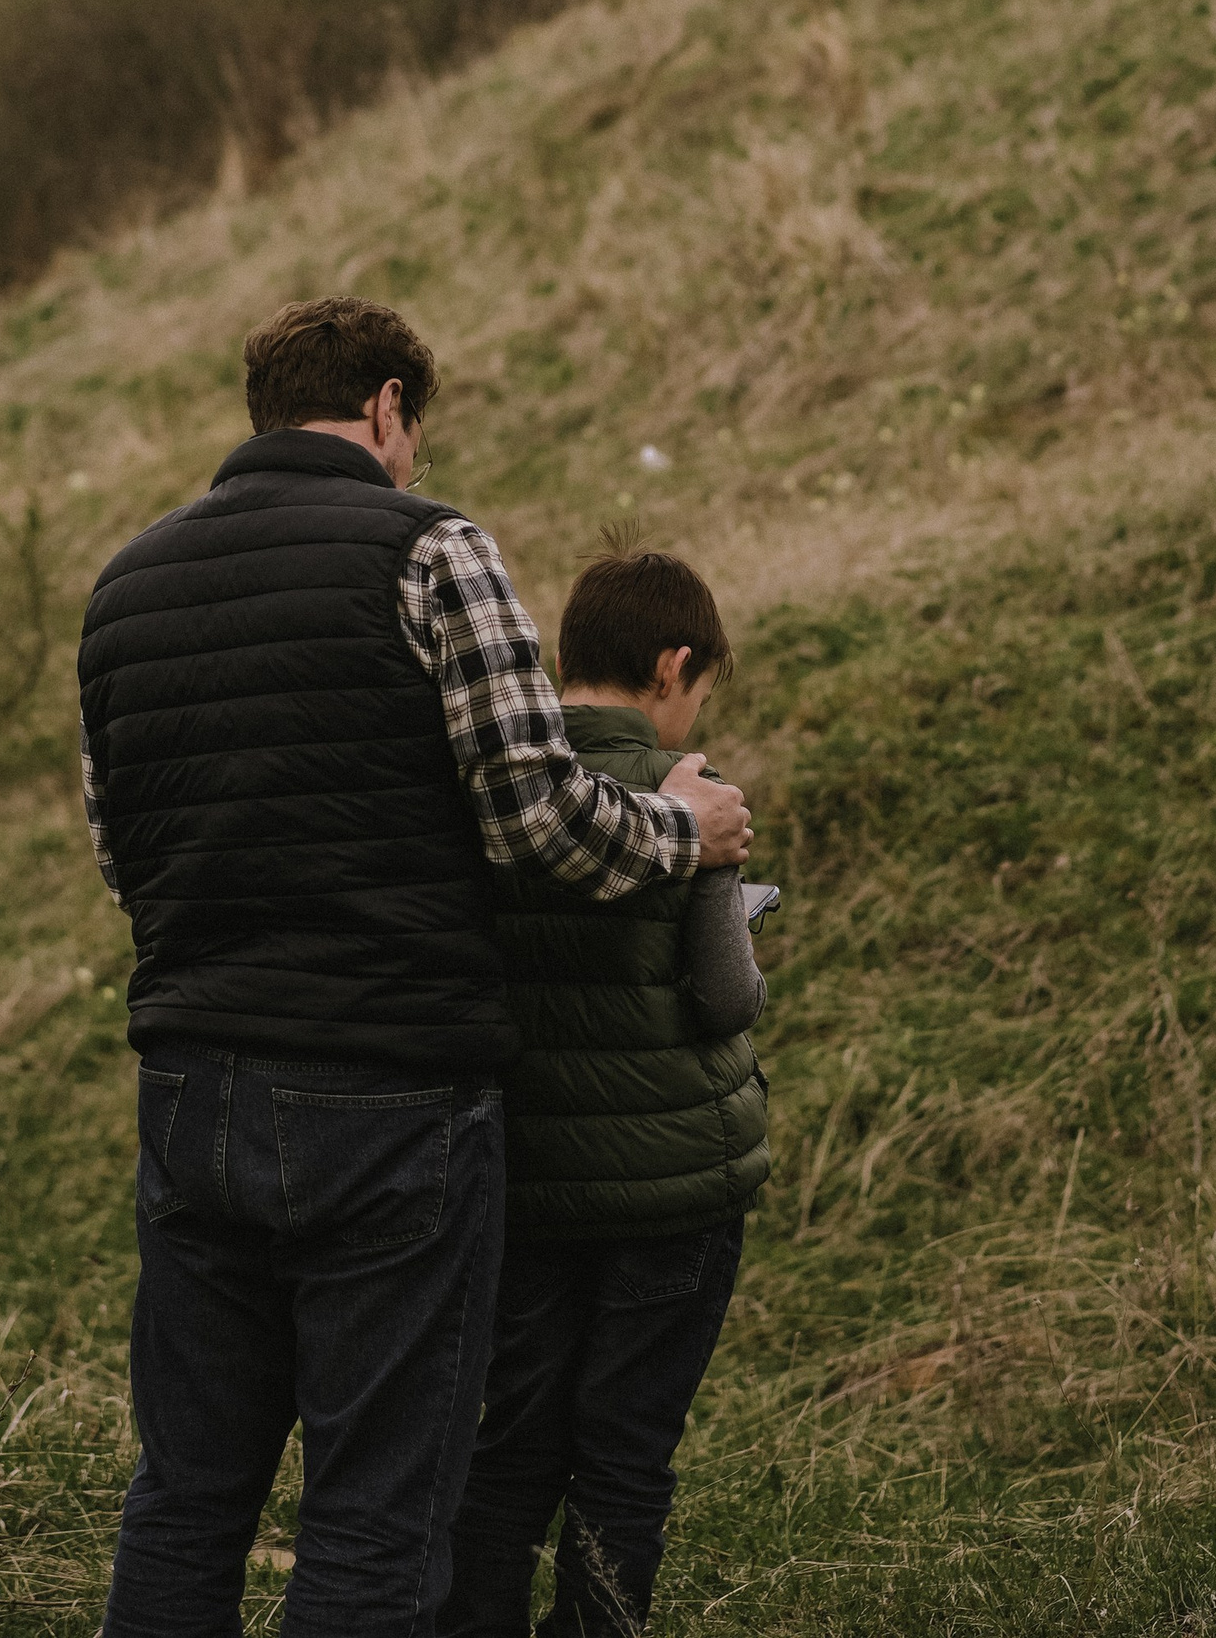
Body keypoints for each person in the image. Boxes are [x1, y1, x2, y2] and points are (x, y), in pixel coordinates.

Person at [76, 298, 755, 1638]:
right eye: (416, 425)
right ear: (388, 405)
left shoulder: (125, 583)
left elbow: (121, 855)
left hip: (191, 1087)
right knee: (372, 1519)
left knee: (188, 1494)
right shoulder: (433, 548)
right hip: (389, 1100)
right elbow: (535, 819)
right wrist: (683, 829)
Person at [439, 550, 770, 1638]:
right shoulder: (692, 798)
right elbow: (723, 997)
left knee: (513, 1441)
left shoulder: (493, 787)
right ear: (673, 665)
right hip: (672, 1191)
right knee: (624, 1456)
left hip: (528, 1179)